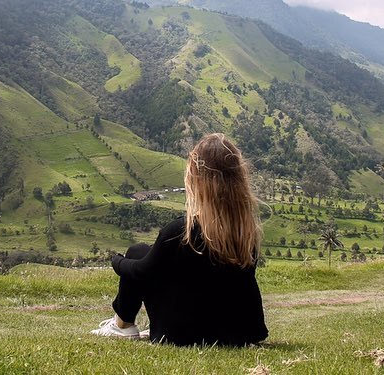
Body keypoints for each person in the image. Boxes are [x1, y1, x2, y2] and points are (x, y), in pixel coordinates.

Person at [90, 133, 268, 346]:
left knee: (137, 251)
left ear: (196, 178)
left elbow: (142, 271)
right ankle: (122, 325)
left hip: (182, 334)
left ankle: (122, 325)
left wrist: (117, 261)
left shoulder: (180, 231)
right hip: (239, 332)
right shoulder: (246, 233)